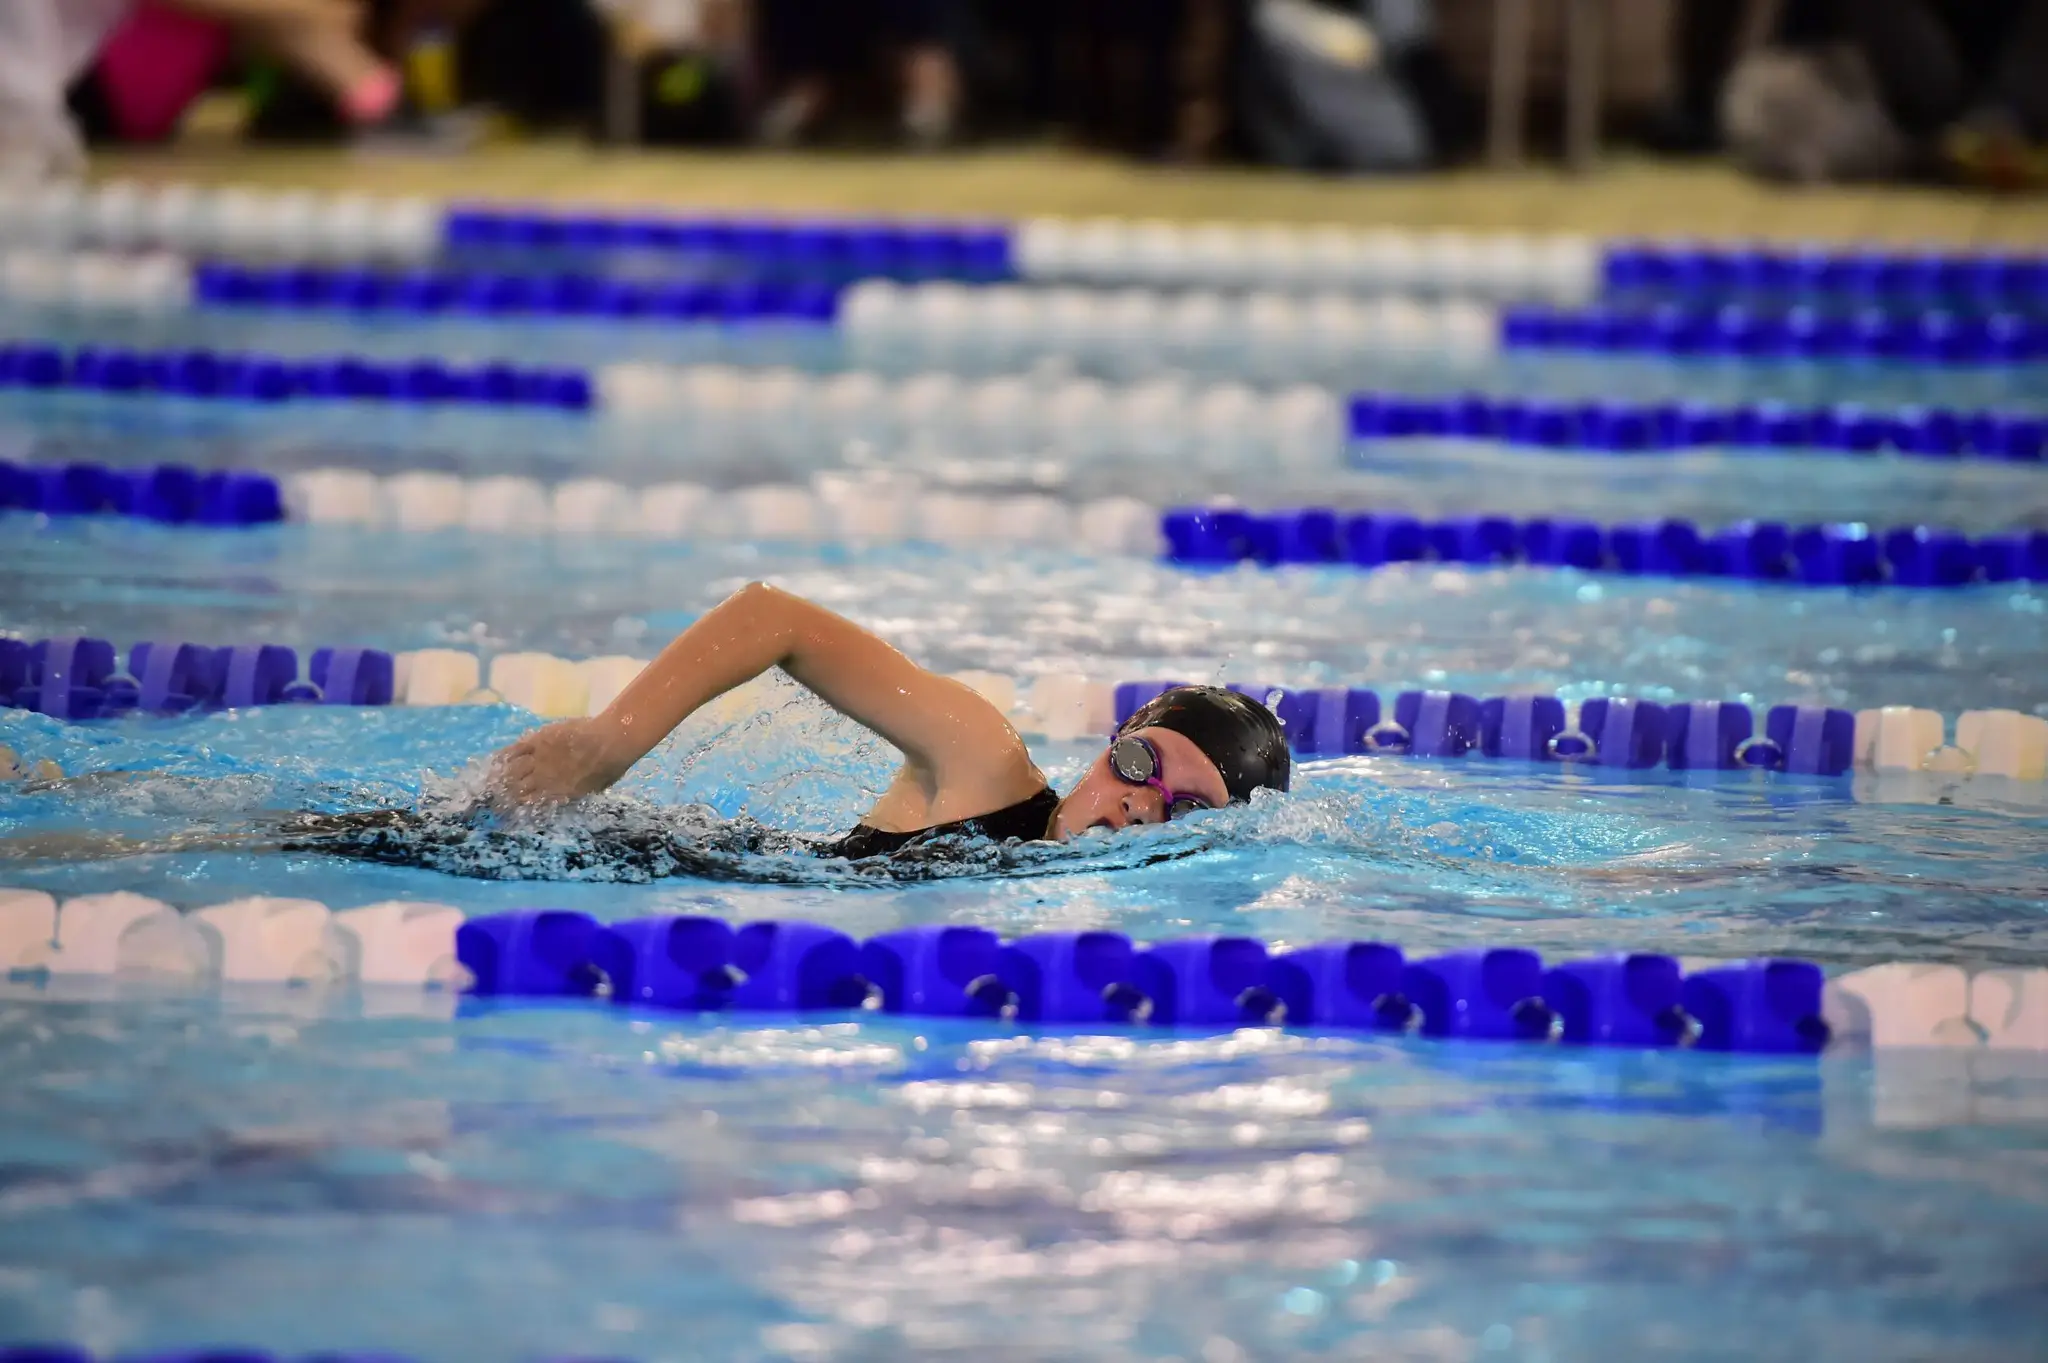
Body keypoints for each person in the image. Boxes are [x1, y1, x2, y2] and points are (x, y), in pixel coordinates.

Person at [1, 583, 1292, 883]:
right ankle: (49, 791)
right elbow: (778, 617)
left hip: (637, 891)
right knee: (252, 838)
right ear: (1109, 744)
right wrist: (610, 742)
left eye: (1180, 807)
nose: (1138, 803)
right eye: (1140, 763)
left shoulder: (1121, 909)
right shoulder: (981, 762)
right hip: (607, 852)